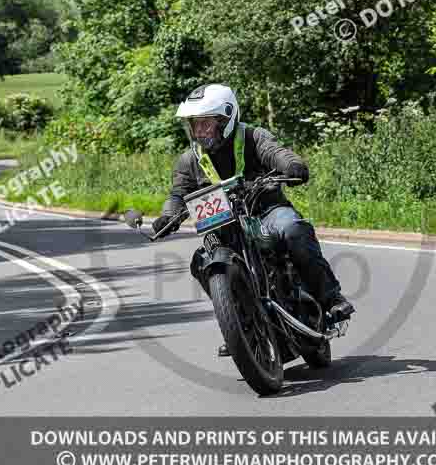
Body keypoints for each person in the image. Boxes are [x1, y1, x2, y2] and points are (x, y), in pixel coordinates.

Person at [152, 84, 355, 357]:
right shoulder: (189, 160)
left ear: (225, 120)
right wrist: (167, 216)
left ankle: (331, 298)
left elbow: (275, 152)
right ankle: (238, 326)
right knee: (201, 261)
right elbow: (179, 193)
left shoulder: (252, 137)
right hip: (224, 227)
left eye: (205, 124)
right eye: (194, 125)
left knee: (292, 229)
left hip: (266, 211)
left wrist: (291, 166)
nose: (199, 132)